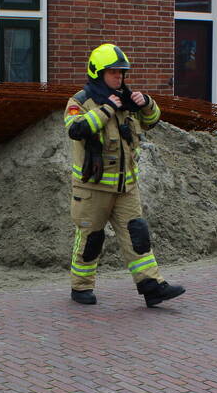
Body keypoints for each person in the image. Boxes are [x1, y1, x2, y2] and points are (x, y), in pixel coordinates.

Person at [63, 43, 185, 307]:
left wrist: (147, 104)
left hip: (126, 188)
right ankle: (81, 287)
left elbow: (151, 122)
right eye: (113, 73)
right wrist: (106, 109)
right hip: (92, 189)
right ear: (98, 73)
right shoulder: (81, 101)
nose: (119, 78)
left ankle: (152, 286)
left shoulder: (126, 100)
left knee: (138, 237)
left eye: (121, 73)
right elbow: (76, 129)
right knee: (91, 239)